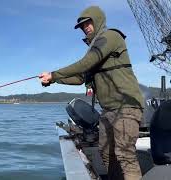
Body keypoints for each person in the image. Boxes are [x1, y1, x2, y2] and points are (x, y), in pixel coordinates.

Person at [39, 6, 144, 180]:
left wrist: (55, 74)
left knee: (125, 155)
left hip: (126, 107)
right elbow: (80, 78)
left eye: (88, 23)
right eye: (82, 26)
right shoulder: (94, 49)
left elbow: (86, 63)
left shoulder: (110, 36)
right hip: (108, 110)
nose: (85, 27)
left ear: (98, 20)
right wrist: (53, 80)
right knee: (105, 152)